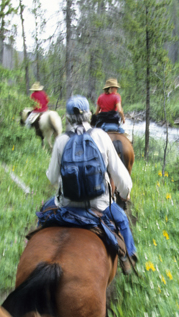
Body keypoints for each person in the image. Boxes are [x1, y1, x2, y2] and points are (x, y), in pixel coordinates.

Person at [46, 95, 137, 273]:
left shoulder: (61, 141)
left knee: (43, 212)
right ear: (88, 115)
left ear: (68, 117)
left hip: (67, 205)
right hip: (101, 205)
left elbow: (52, 178)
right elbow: (121, 176)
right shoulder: (101, 136)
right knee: (123, 221)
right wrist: (125, 193)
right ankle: (127, 258)